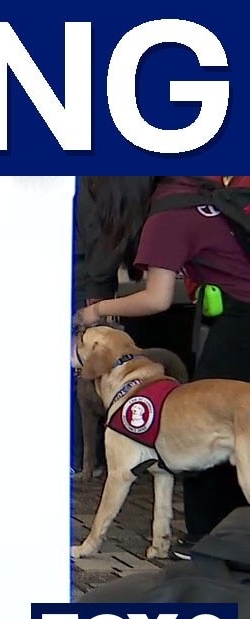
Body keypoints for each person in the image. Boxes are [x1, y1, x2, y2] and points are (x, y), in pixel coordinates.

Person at [76, 176, 250, 561]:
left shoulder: (169, 212)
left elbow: (157, 298)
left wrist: (98, 310)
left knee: (206, 418)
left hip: (242, 319)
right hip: (236, 311)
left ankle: (208, 542)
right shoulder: (201, 188)